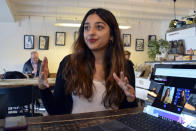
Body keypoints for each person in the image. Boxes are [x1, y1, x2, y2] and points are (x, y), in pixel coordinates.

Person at [38, 8, 137, 115]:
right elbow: (56, 111)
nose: (91, 32)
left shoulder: (125, 66)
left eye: (99, 27)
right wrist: (43, 88)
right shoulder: (69, 63)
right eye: (86, 28)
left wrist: (130, 99)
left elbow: (128, 115)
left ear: (112, 35)